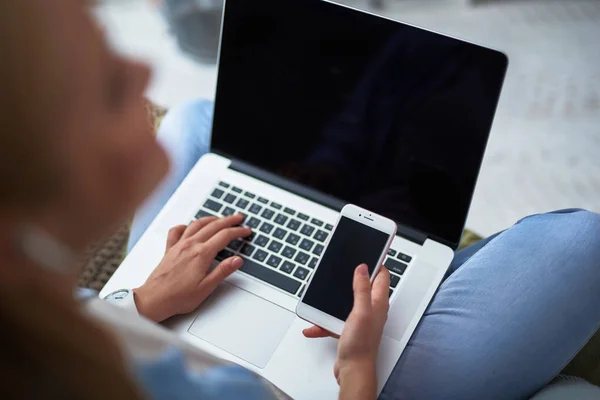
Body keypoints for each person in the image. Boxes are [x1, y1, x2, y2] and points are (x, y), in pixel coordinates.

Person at [1, 1, 600, 400]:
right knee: (583, 244)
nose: (142, 71)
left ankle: (349, 188)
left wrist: (140, 303)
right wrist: (360, 364)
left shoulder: (30, 305)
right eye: (106, 86)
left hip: (160, 320)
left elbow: (101, 317)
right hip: (314, 385)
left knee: (193, 121)